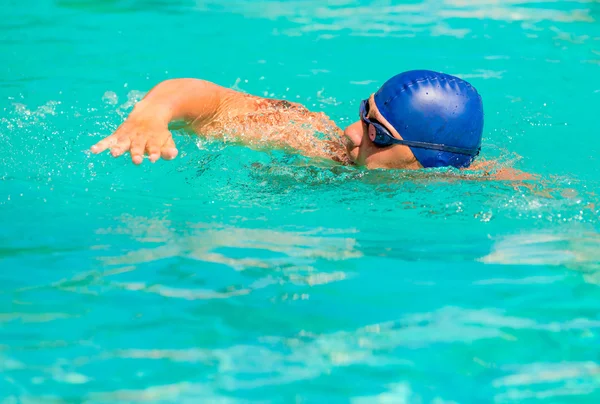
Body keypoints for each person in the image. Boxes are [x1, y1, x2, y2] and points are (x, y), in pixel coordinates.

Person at [90, 70, 484, 170]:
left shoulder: (463, 188)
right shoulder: (316, 143)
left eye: (376, 133)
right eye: (364, 112)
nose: (351, 132)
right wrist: (152, 114)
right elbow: (214, 102)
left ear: (428, 159)